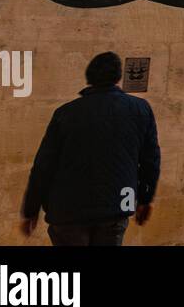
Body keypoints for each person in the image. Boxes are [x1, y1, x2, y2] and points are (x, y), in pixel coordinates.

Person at [19, 52, 161, 246]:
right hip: (116, 205)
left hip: (68, 210)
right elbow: (150, 161)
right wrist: (145, 199)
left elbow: (44, 166)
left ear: (89, 79)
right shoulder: (140, 110)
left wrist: (30, 210)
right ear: (117, 77)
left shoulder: (66, 113)